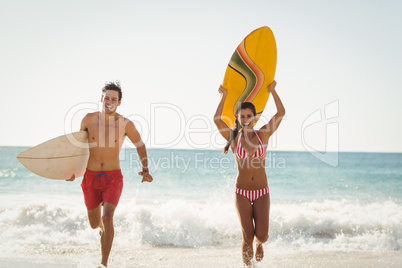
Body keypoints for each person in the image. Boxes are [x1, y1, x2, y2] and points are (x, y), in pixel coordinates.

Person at [67, 81, 153, 268]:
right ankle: (103, 231)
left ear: (119, 102)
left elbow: (140, 145)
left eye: (114, 99)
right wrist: (71, 170)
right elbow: (78, 148)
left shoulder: (125, 124)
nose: (110, 101)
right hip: (90, 177)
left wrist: (145, 169)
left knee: (108, 218)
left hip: (113, 178)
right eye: (107, 98)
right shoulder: (88, 120)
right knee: (95, 223)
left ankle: (103, 263)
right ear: (101, 99)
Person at [214, 80, 285, 266]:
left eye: (249, 116)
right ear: (238, 119)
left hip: (262, 191)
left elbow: (281, 113)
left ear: (254, 117)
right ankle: (249, 266)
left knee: (261, 236)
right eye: (242, 116)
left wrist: (273, 91)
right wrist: (223, 97)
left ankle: (260, 245)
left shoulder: (264, 135)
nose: (245, 119)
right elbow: (217, 119)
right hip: (242, 192)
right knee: (247, 236)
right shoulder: (234, 138)